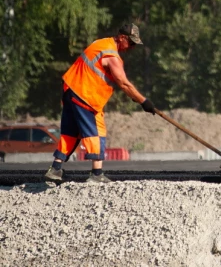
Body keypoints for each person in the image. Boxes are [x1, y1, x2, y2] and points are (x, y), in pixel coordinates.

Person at [44, 23, 156, 184]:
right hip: (85, 96)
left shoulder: (100, 43)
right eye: (131, 43)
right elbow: (124, 83)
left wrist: (134, 97)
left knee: (70, 132)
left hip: (70, 90)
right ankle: (96, 174)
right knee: (97, 132)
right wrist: (144, 102)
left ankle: (55, 169)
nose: (131, 47)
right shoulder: (111, 56)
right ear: (122, 37)